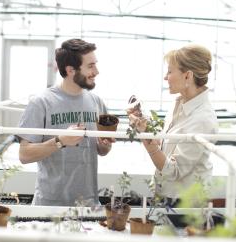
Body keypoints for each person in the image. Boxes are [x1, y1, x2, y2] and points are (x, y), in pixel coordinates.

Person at [17, 38, 113, 206]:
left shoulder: (97, 102)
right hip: (48, 206)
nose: (96, 71)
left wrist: (105, 144)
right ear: (70, 70)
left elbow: (102, 150)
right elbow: (24, 155)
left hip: (88, 206)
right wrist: (60, 141)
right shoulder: (41, 103)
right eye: (90, 66)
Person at [128, 44, 218, 201]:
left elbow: (173, 170)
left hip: (185, 205)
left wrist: (145, 138)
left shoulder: (202, 119)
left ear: (187, 76)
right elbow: (164, 146)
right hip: (165, 195)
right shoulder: (180, 103)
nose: (165, 77)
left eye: (170, 71)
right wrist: (144, 125)